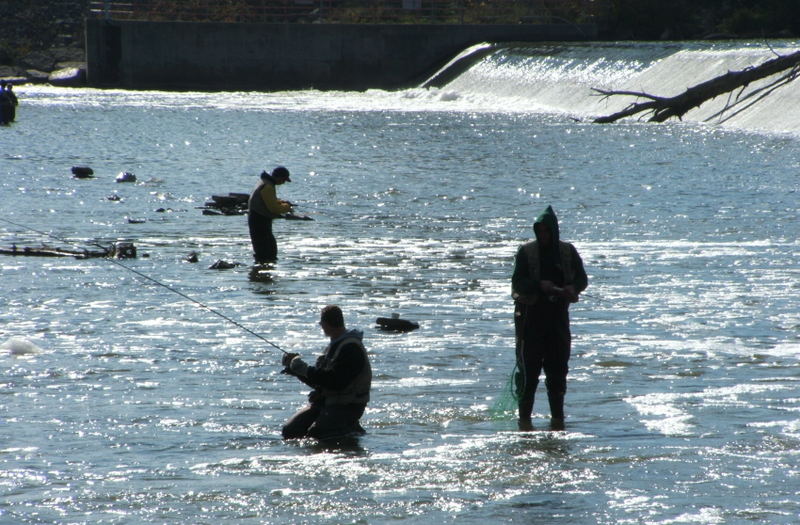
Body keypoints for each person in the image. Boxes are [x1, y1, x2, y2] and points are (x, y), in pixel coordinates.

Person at [511, 205, 587, 430]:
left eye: (547, 231)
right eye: (540, 231)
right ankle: (524, 424)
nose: (543, 236)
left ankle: (557, 422)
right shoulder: (526, 253)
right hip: (530, 322)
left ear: (554, 232)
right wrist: (539, 285)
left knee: (557, 373)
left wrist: (572, 288)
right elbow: (518, 283)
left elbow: (582, 279)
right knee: (528, 375)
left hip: (557, 322)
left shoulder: (567, 252)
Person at [281, 305, 372, 440]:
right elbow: (320, 383)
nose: (321, 326)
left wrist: (304, 369)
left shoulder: (351, 348)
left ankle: (350, 429)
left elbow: (335, 382)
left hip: (349, 406)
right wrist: (296, 371)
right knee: (290, 431)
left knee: (316, 435)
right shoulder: (333, 346)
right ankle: (341, 428)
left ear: (325, 324)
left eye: (321, 323)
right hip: (327, 401)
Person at [247, 166, 293, 263]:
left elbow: (267, 200)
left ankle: (259, 272)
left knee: (264, 251)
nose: (284, 182)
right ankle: (264, 273)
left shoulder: (264, 182)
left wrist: (280, 202)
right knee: (268, 252)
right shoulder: (268, 187)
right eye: (284, 180)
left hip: (256, 219)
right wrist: (287, 207)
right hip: (260, 221)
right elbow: (274, 209)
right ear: (279, 177)